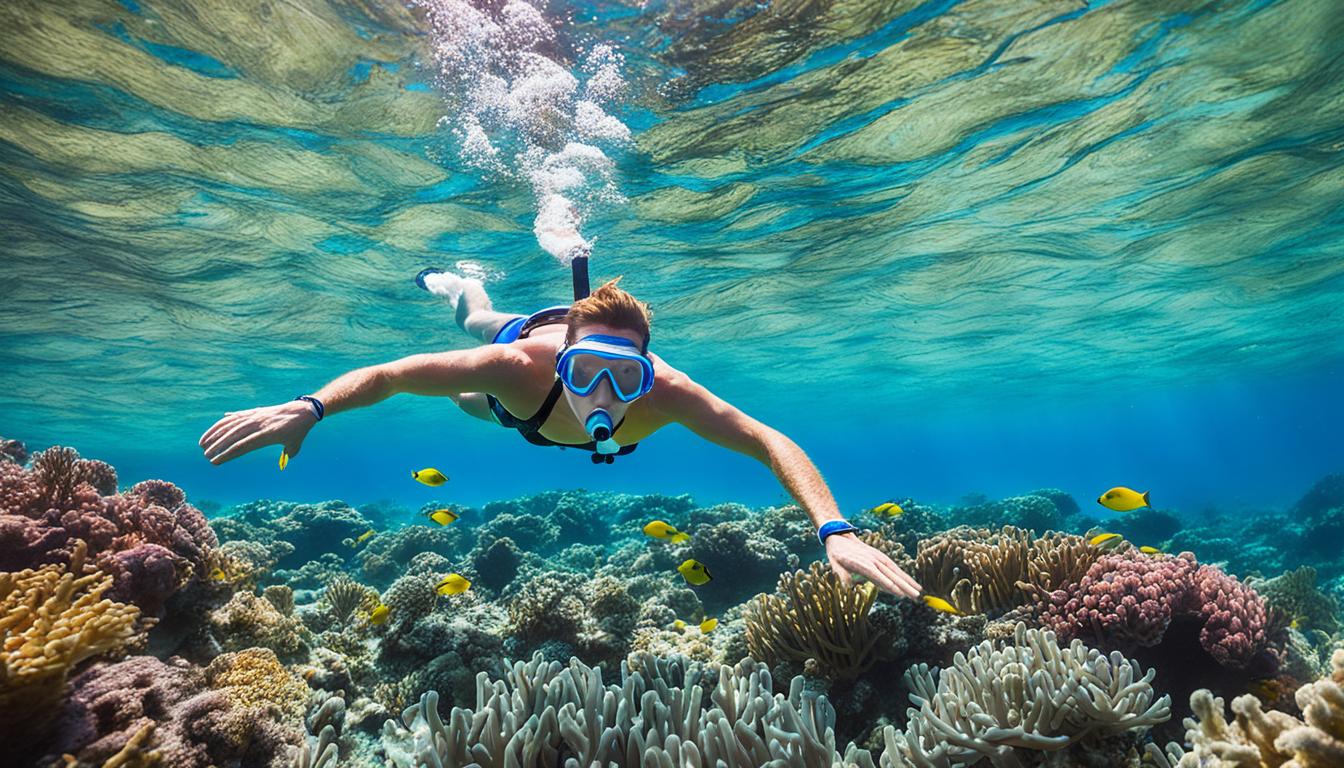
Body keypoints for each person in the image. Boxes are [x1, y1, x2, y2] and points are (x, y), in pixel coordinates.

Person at [198, 256, 923, 599]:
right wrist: (311, 406)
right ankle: (463, 280)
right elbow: (390, 375)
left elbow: (769, 439)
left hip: (536, 404)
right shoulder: (518, 363)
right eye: (585, 374)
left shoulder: (667, 393)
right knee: (471, 353)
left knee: (493, 403)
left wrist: (835, 528)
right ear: (563, 364)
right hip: (516, 390)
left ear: (648, 372)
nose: (603, 395)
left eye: (625, 378)